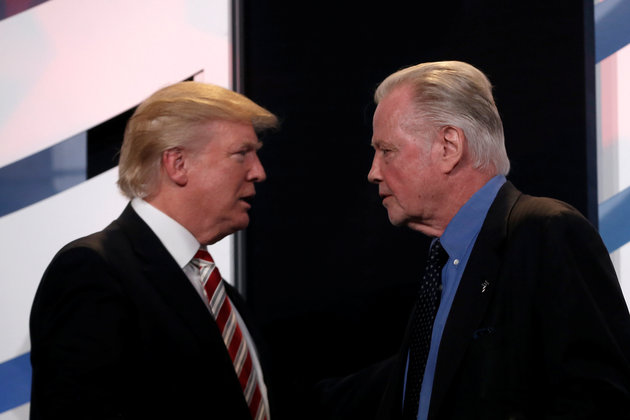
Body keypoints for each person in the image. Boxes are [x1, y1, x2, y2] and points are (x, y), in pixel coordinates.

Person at [366, 61, 630, 419]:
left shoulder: (547, 232)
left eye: (387, 151)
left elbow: (599, 399)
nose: (373, 172)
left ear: (448, 146)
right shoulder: (440, 265)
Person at [29, 81, 278, 419]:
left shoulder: (221, 295)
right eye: (241, 154)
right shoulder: (93, 271)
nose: (259, 172)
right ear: (178, 164)